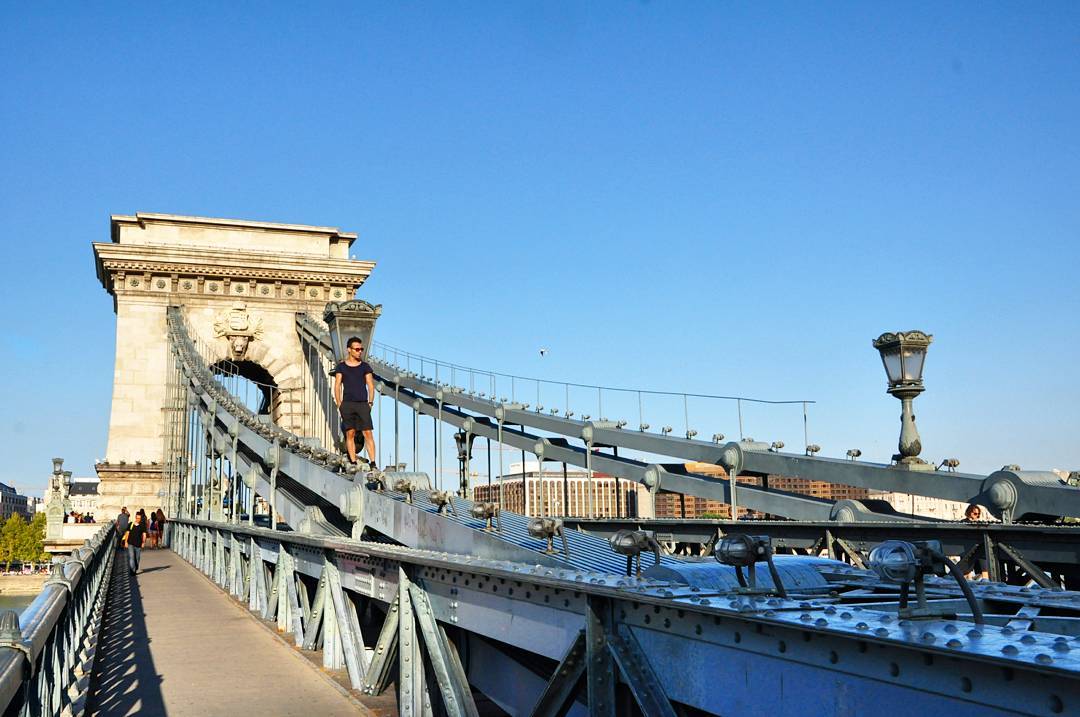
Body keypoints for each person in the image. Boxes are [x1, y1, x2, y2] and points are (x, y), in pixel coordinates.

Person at [333, 336, 377, 467]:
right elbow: (337, 385)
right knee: (350, 433)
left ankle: (373, 462)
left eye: (361, 349)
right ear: (349, 350)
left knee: (368, 433)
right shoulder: (341, 367)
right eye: (357, 349)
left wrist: (370, 402)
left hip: (363, 404)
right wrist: (339, 404)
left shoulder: (365, 366)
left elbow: (370, 385)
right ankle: (352, 461)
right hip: (347, 404)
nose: (360, 351)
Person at [963, 504, 990, 580]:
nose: (977, 516)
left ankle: (984, 579)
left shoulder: (978, 523)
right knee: (966, 570)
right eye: (975, 514)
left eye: (978, 514)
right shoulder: (963, 523)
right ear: (969, 512)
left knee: (984, 567)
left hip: (978, 549)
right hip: (968, 550)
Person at [124, 511, 147, 575]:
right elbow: (127, 533)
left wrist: (143, 542)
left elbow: (144, 535)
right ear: (135, 517)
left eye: (139, 518)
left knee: (137, 559)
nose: (138, 520)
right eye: (137, 518)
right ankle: (132, 571)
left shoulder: (142, 526)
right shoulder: (131, 524)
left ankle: (135, 568)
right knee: (131, 557)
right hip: (130, 543)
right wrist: (126, 542)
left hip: (138, 544)